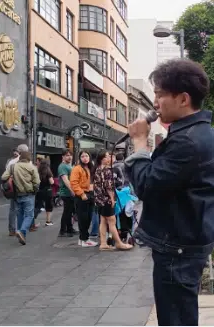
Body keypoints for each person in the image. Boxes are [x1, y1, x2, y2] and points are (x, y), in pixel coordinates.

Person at [125, 59, 214, 326]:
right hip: (186, 243)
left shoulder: (187, 141)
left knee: (175, 319)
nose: (155, 102)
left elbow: (147, 185)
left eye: (160, 94)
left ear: (183, 99)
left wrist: (140, 143)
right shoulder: (198, 134)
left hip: (178, 248)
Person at [93, 150, 133, 251]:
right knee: (112, 221)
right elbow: (109, 187)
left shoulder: (98, 169)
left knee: (103, 221)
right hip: (107, 200)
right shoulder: (107, 170)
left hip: (99, 199)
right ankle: (119, 243)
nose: (110, 158)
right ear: (102, 159)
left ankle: (103, 243)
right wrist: (112, 199)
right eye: (107, 156)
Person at [1, 151, 40, 245]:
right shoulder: (32, 167)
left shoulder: (13, 166)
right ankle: (22, 231)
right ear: (29, 158)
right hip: (29, 194)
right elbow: (37, 182)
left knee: (20, 215)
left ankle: (22, 236)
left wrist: (12, 177)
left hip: (17, 195)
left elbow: (3, 177)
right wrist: (35, 190)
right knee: (29, 215)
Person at [70, 151, 98, 247]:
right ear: (79, 158)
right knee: (83, 218)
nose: (85, 158)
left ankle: (83, 238)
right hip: (82, 196)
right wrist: (82, 194)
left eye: (86, 156)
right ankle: (84, 239)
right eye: (82, 156)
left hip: (90, 195)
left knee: (89, 217)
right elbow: (74, 183)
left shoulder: (91, 168)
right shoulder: (77, 169)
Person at [5, 145, 27, 236]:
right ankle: (20, 229)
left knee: (13, 209)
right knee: (22, 209)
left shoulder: (11, 162)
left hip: (13, 187)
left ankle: (12, 229)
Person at [57, 149, 76, 237]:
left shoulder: (69, 166)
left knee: (69, 211)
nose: (69, 157)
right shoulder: (63, 166)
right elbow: (65, 180)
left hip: (69, 192)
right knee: (67, 212)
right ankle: (63, 231)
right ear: (63, 157)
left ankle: (69, 229)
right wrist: (72, 190)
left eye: (70, 155)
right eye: (67, 155)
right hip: (66, 193)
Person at [36, 159, 54, 227]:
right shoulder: (48, 171)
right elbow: (52, 182)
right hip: (47, 191)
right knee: (48, 206)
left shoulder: (37, 171)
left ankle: (31, 222)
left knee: (38, 206)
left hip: (39, 191)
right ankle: (48, 221)